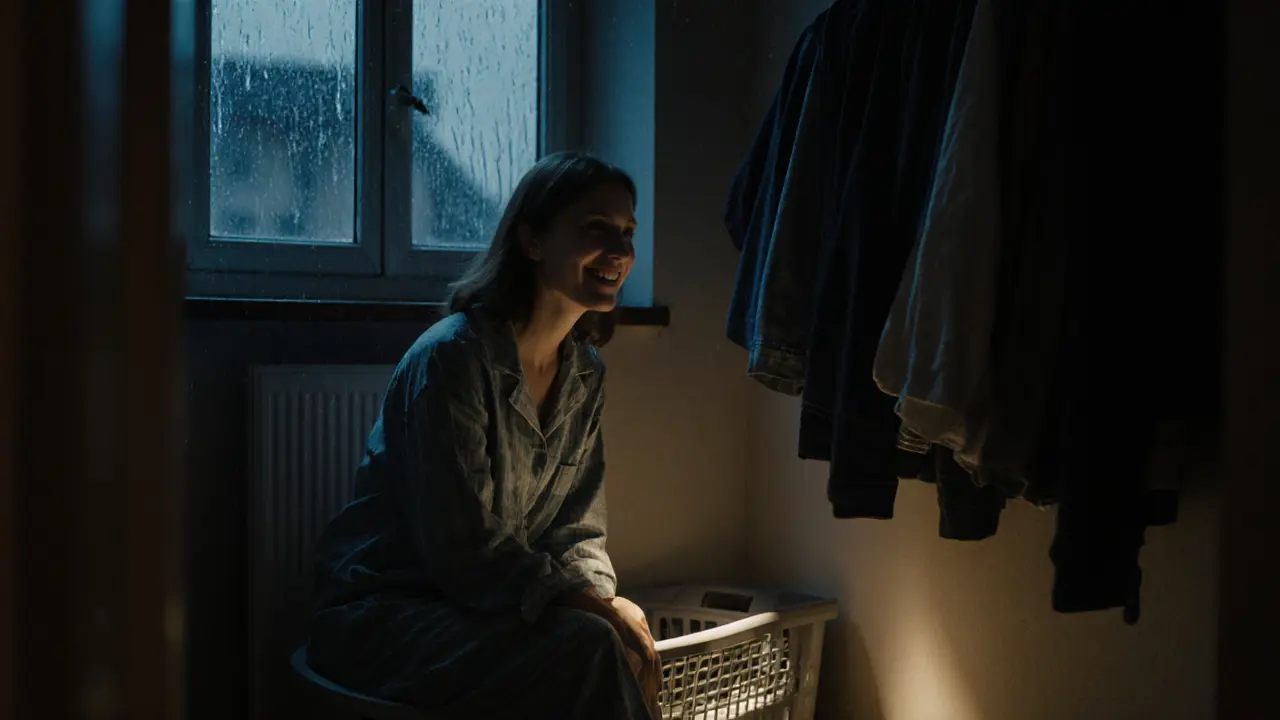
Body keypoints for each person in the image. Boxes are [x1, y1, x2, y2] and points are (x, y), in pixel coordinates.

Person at [307, 152, 662, 719]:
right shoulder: (452, 359)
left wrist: (602, 600)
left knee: (610, 636)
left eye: (628, 232)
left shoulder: (584, 374)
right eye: (596, 228)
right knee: (591, 644)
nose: (620, 250)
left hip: (488, 613)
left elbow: (578, 530)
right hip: (391, 616)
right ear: (532, 240)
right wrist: (594, 613)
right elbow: (464, 549)